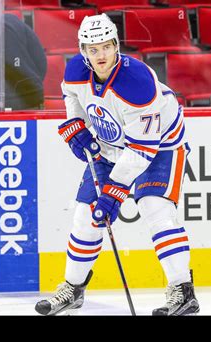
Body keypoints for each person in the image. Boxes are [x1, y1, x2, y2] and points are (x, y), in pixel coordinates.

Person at [35, 13, 199, 316]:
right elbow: (71, 94)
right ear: (84, 50)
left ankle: (182, 290)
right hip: (111, 145)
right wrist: (75, 124)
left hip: (160, 145)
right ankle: (73, 288)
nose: (101, 55)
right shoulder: (75, 70)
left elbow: (142, 149)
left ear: (116, 45)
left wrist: (114, 191)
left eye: (106, 47)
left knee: (155, 208)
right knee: (86, 216)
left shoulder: (138, 83)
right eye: (93, 49)